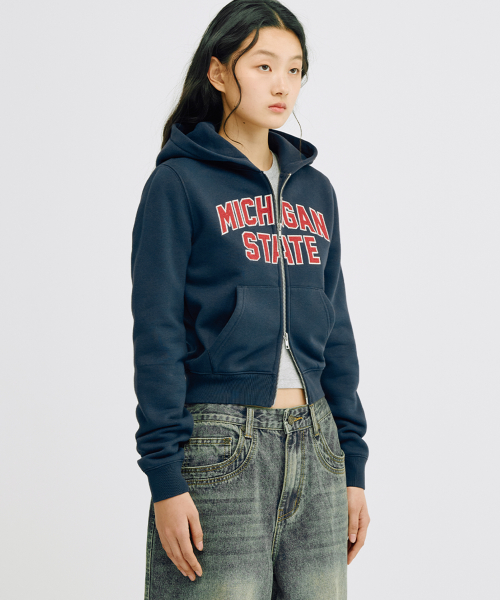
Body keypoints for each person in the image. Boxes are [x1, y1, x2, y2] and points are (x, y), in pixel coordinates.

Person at [131, 1, 370, 598]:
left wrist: (352, 463)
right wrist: (165, 478)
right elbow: (157, 332)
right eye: (263, 66)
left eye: (294, 69)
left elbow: (336, 327)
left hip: (319, 444)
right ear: (218, 72)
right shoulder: (178, 184)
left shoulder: (316, 191)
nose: (282, 84)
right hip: (219, 447)